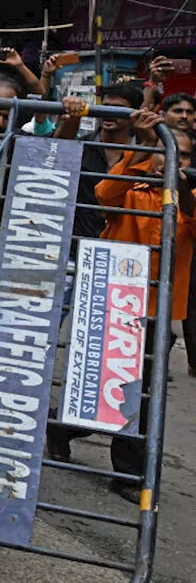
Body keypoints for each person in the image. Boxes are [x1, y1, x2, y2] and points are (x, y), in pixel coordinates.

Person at [95, 111, 196, 502]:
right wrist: (140, 147)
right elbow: (103, 194)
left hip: (158, 314)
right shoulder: (131, 188)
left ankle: (128, 474)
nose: (172, 161)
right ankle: (64, 429)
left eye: (183, 156)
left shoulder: (187, 199)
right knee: (108, 390)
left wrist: (182, 187)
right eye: (165, 152)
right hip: (118, 307)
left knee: (141, 394)